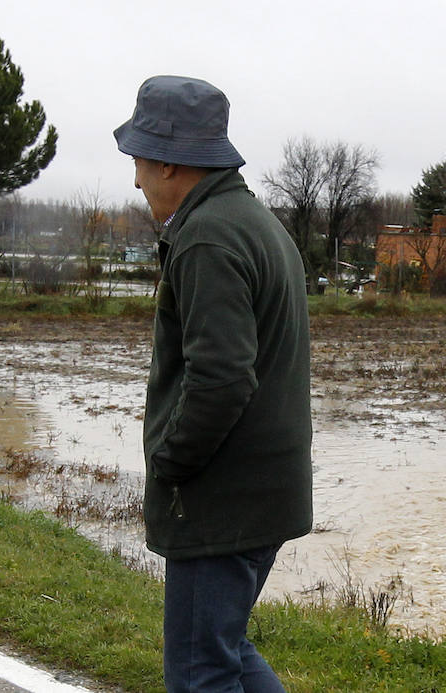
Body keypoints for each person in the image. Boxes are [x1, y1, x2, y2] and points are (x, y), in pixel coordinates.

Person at [114, 75, 313, 692]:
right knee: (222, 654)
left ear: (170, 160)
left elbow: (223, 378)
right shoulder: (252, 221)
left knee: (200, 673)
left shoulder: (206, 236)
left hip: (222, 498)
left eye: (141, 160)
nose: (137, 178)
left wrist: (171, 463)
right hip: (262, 491)